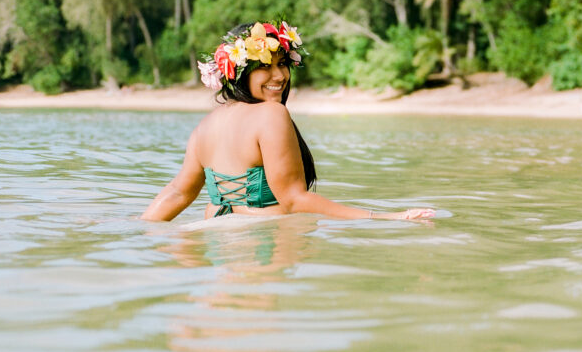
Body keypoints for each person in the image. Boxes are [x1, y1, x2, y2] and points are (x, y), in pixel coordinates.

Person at [140, 19, 435, 223]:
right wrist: (384, 217)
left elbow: (179, 193)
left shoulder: (205, 127)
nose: (279, 76)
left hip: (222, 255)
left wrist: (138, 227)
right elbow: (294, 200)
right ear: (239, 73)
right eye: (265, 67)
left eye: (283, 64)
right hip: (265, 247)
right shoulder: (271, 114)